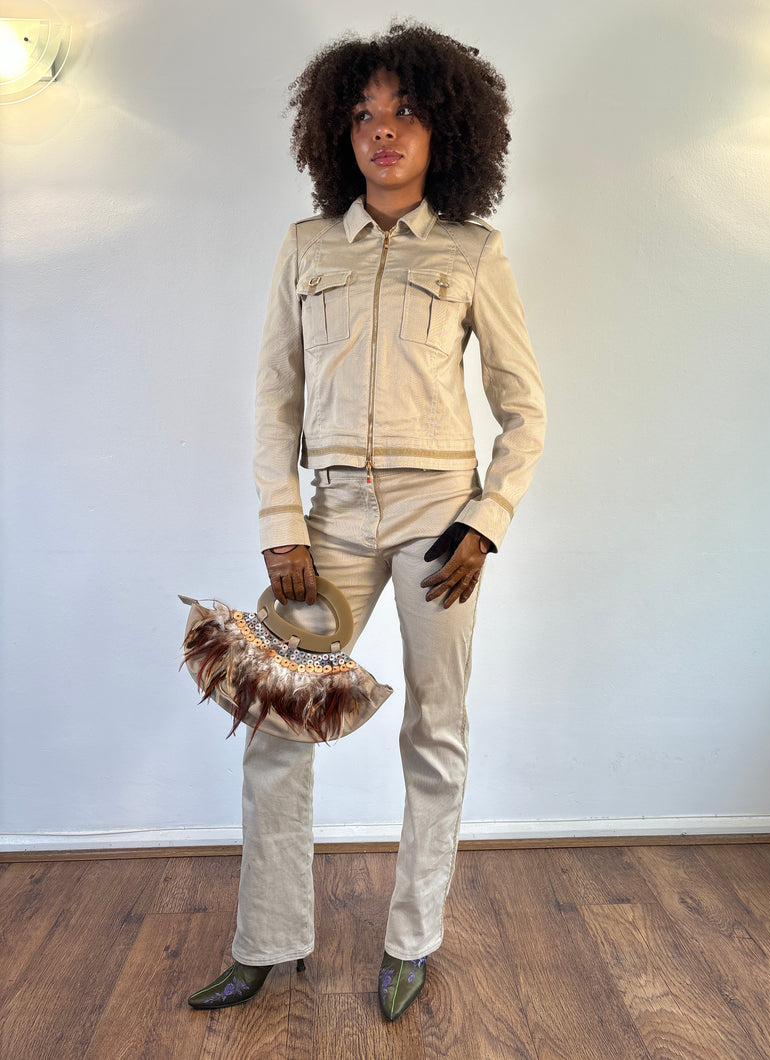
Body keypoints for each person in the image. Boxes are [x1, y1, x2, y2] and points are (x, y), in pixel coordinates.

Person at [187, 21, 546, 1022]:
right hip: (331, 519)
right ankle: (266, 945)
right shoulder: (306, 247)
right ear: (335, 133)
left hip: (441, 524)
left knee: (437, 728)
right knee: (277, 720)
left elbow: (526, 410)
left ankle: (411, 941)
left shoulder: (473, 251)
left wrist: (485, 521)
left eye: (405, 112)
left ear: (445, 129)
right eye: (362, 115)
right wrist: (281, 523)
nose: (382, 131)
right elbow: (274, 399)